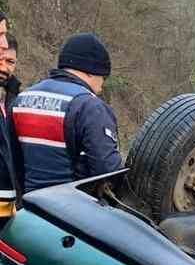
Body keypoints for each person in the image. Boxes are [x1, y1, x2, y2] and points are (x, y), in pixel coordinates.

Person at [12, 34, 124, 193]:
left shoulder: (21, 99)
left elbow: (12, 159)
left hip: (28, 206)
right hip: (68, 211)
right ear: (91, 71)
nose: (101, 87)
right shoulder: (90, 106)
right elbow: (108, 170)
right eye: (103, 77)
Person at [0, 33, 23, 214]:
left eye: (11, 62)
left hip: (8, 204)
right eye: (1, 59)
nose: (5, 67)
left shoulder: (15, 98)